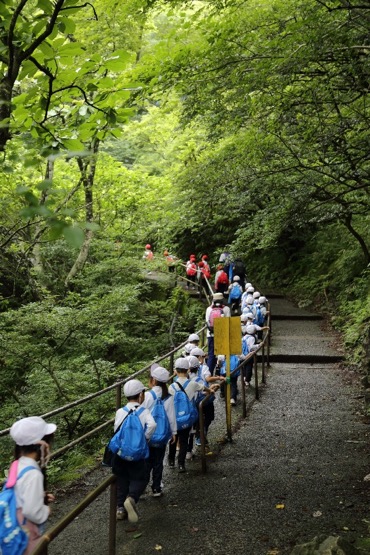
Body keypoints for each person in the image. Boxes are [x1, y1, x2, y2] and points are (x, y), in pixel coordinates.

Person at [9, 416, 57, 554]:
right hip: (28, 536)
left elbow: (19, 493)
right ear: (42, 444)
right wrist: (45, 510)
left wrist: (39, 496)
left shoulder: (17, 464)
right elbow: (31, 512)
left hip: (14, 529)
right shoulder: (34, 474)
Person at [113, 379, 156, 523]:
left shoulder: (120, 412)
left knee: (122, 479)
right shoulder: (144, 411)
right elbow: (152, 425)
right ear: (141, 395)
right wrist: (144, 439)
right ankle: (131, 498)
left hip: (121, 454)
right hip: (138, 453)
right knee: (140, 478)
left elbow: (116, 430)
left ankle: (120, 509)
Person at [168, 358, 213, 472]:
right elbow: (204, 388)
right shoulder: (192, 384)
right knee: (184, 440)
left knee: (173, 439)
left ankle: (171, 460)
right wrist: (211, 391)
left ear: (176, 371)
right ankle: (181, 464)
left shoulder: (171, 387)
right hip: (187, 418)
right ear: (187, 370)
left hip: (174, 418)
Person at [142, 367, 176, 497]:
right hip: (162, 435)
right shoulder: (168, 396)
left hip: (148, 435)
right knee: (158, 461)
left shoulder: (147, 395)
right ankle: (156, 488)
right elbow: (171, 417)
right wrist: (174, 433)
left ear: (154, 380)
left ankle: (141, 488)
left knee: (146, 462)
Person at [205, 292, 231, 375]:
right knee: (222, 354)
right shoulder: (226, 309)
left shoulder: (209, 309)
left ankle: (209, 374)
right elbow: (229, 322)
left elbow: (207, 322)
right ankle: (221, 373)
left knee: (211, 355)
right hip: (222, 335)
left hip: (211, 334)